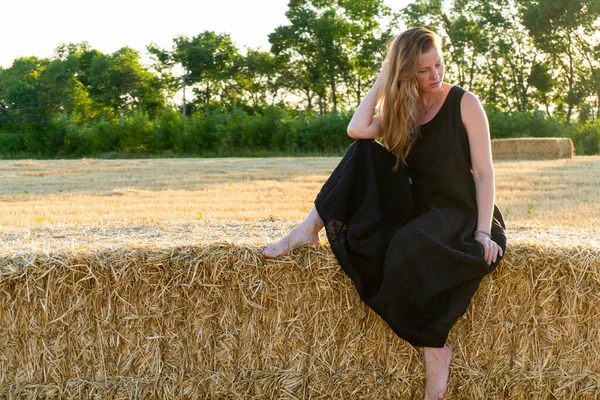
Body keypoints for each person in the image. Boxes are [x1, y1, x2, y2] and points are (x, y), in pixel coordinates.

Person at [262, 27, 506, 400]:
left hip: (461, 212)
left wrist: (483, 233)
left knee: (408, 246)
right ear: (406, 71)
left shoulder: (464, 102)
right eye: (423, 70)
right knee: (361, 153)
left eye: (438, 64)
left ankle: (434, 350)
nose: (435, 75)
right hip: (417, 206)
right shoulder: (401, 107)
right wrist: (383, 81)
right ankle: (308, 227)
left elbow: (485, 172)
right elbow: (357, 128)